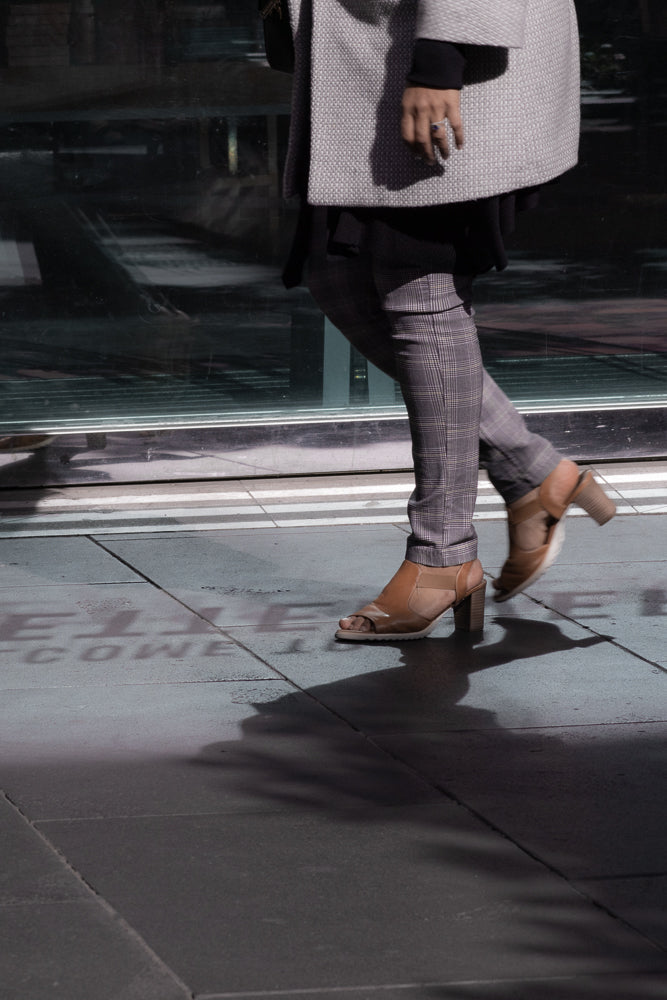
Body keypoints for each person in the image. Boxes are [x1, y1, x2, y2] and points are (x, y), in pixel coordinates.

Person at [279, 0, 616, 640]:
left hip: (441, 61)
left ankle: (443, 555)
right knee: (336, 272)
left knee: (417, 284)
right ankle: (532, 470)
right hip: (376, 55)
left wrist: (439, 65)